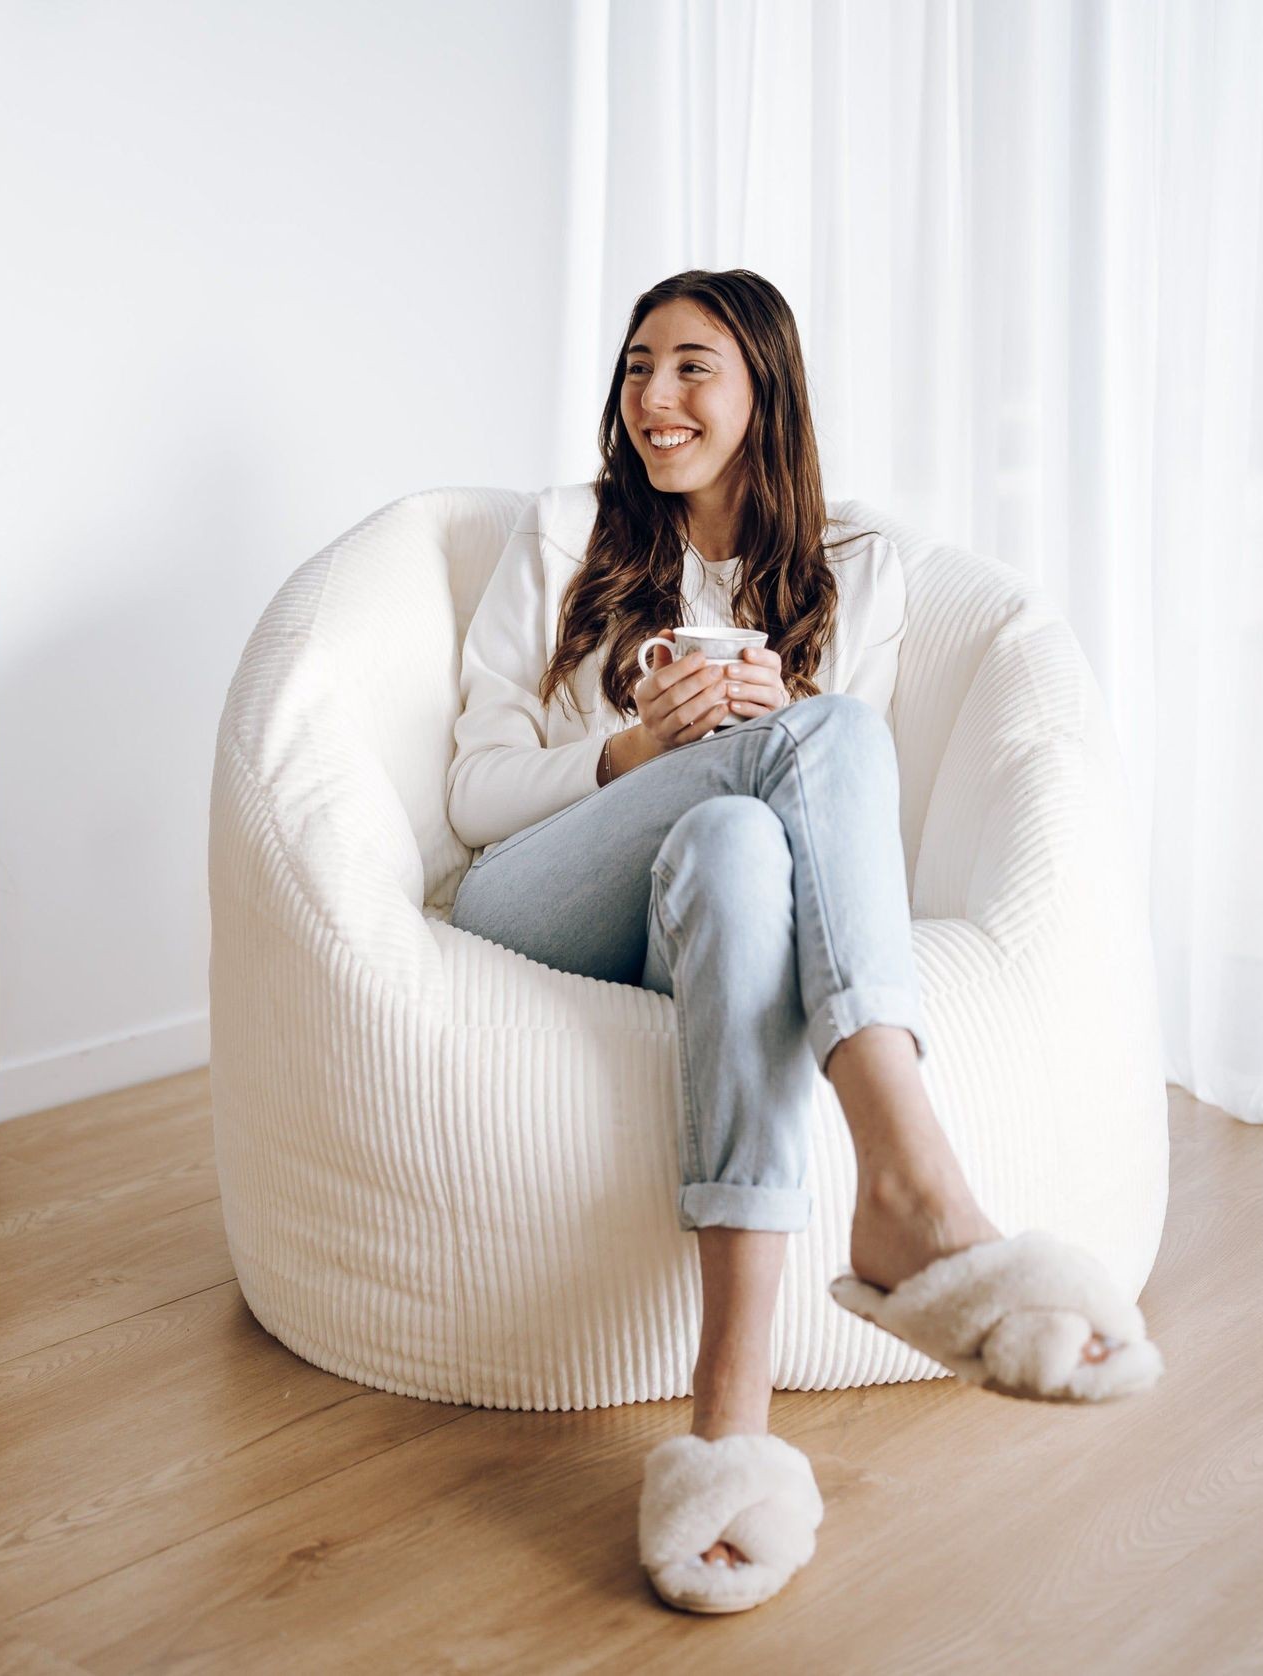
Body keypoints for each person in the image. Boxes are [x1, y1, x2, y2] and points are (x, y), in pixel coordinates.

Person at [446, 269, 1162, 1616]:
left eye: (693, 367)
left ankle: (730, 1416)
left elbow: (840, 866)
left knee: (745, 830)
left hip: (699, 903)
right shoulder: (558, 536)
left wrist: (762, 731)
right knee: (823, 740)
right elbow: (473, 795)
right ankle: (911, 1182)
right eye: (637, 367)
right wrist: (642, 746)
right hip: (542, 893)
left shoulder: (864, 564)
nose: (654, 398)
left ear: (764, 387)